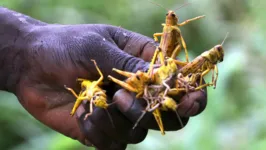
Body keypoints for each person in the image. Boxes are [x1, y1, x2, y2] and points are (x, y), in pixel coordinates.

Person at [0, 7, 207, 150]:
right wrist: (22, 56)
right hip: (139, 80)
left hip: (158, 77)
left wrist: (23, 58)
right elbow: (90, 89)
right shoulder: (92, 90)